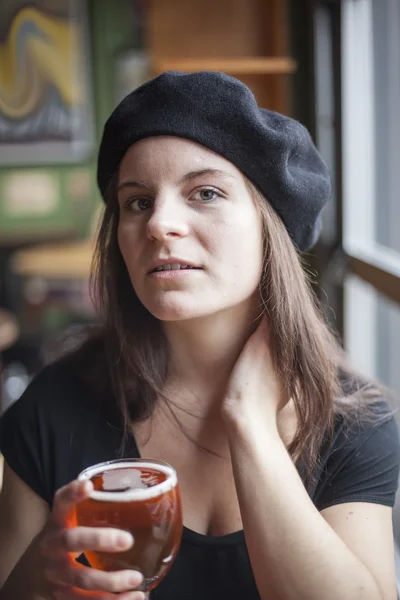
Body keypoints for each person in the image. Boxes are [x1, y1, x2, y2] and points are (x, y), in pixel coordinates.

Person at [0, 71, 398, 600]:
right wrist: (36, 582)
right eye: (137, 201)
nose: (159, 223)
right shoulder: (52, 407)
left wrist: (248, 420)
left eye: (204, 192)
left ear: (270, 226)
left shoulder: (355, 422)